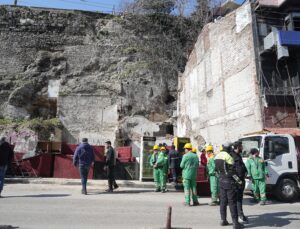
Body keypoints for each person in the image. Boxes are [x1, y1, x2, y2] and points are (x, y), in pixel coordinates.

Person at [215, 142, 244, 229]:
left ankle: (223, 220)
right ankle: (235, 223)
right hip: (229, 182)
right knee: (232, 202)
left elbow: (216, 171)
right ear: (228, 148)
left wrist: (220, 178)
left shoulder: (217, 156)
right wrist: (239, 182)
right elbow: (232, 173)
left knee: (223, 202)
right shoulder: (228, 157)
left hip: (221, 182)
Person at [230, 141, 248, 223]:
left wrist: (246, 171)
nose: (242, 147)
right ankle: (238, 217)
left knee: (239, 199)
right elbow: (232, 171)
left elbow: (242, 166)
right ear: (237, 147)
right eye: (241, 146)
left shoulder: (238, 155)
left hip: (241, 181)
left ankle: (241, 214)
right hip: (236, 182)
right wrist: (238, 181)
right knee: (236, 200)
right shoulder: (232, 156)